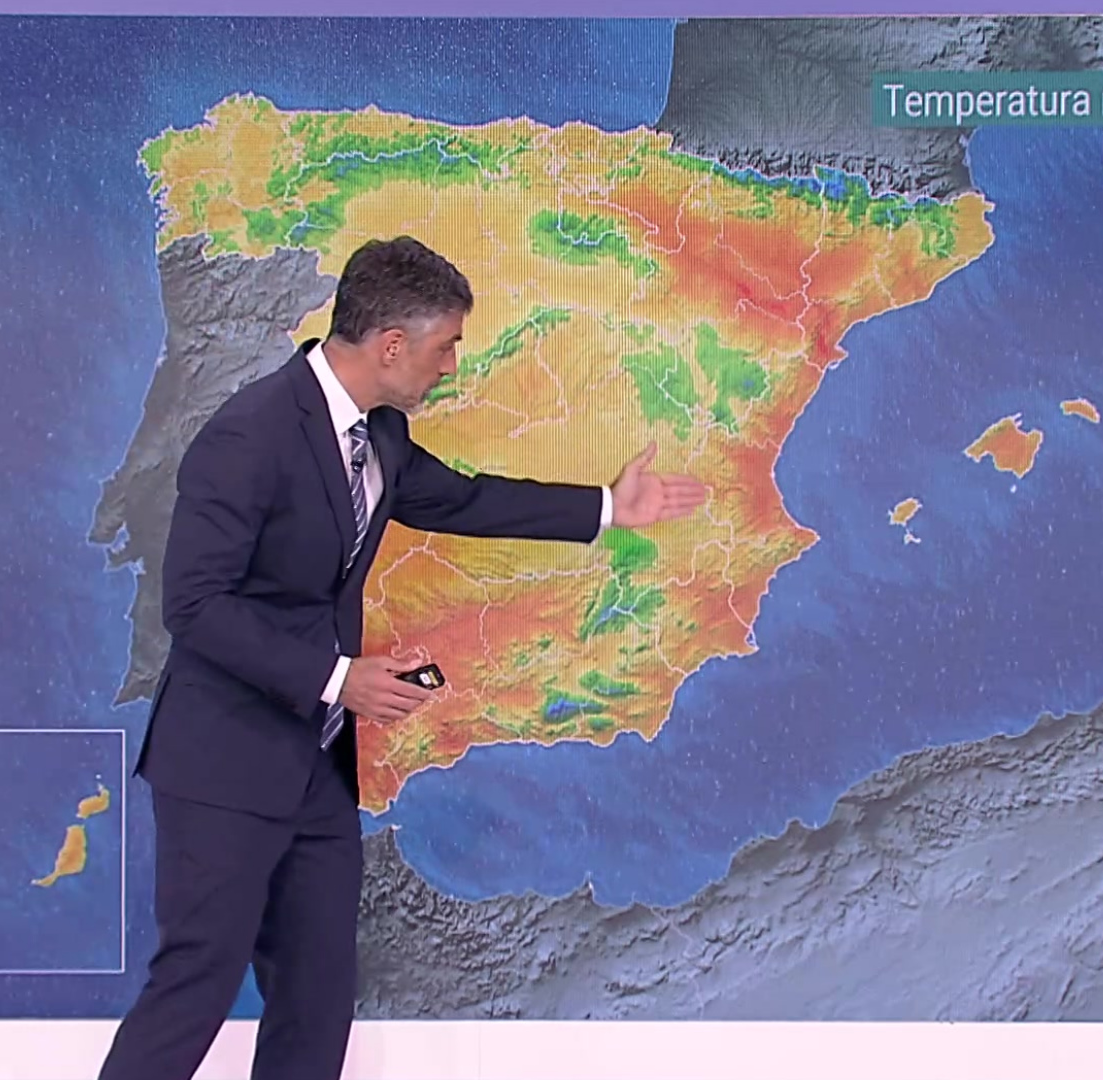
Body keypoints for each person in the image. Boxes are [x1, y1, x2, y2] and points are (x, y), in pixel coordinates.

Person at [97, 235, 707, 1080]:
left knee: (316, 998)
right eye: (445, 345)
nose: (452, 365)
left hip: (314, 770)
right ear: (391, 346)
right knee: (196, 986)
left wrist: (607, 507)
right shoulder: (249, 437)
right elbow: (196, 606)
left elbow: (463, 501)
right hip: (225, 766)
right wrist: (338, 679)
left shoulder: (378, 434)